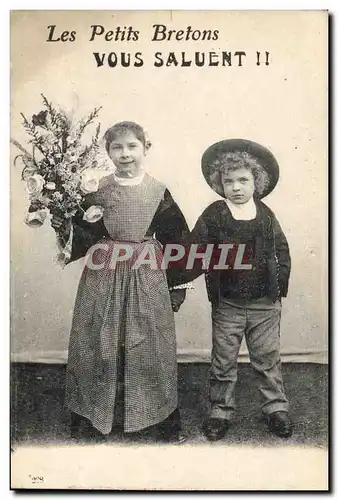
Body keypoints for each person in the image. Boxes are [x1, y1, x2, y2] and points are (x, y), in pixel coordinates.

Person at [52, 121, 189, 443]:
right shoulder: (96, 190)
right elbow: (83, 233)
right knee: (98, 340)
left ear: (145, 149)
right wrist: (63, 223)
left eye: (132, 146)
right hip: (105, 272)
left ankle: (156, 417)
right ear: (108, 151)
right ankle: (93, 414)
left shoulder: (158, 191)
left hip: (146, 271)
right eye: (117, 147)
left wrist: (178, 286)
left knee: (149, 342)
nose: (125, 154)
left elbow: (176, 239)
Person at [184, 139, 292, 441]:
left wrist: (277, 287)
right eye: (228, 181)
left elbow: (281, 251)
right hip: (228, 303)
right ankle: (220, 410)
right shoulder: (214, 214)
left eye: (243, 180)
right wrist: (175, 275)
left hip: (264, 304)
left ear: (257, 181)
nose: (236, 187)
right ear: (219, 183)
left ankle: (275, 407)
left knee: (267, 357)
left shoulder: (266, 214)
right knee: (223, 359)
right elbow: (194, 249)